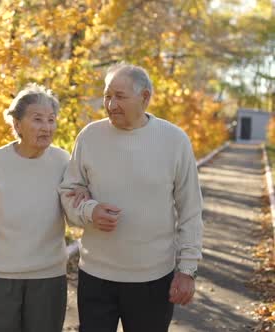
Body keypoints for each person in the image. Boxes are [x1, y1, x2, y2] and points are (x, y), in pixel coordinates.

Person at [59, 63, 204, 332]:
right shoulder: (90, 137)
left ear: (145, 97)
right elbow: (68, 193)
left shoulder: (175, 141)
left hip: (153, 279)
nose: (111, 104)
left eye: (120, 96)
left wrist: (187, 269)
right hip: (96, 277)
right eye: (107, 95)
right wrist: (90, 211)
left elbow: (190, 211)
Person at [0, 84, 72, 332]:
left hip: (48, 279)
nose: (46, 127)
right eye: (37, 119)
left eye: (51, 120)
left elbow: (77, 211)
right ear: (17, 124)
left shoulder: (63, 161)